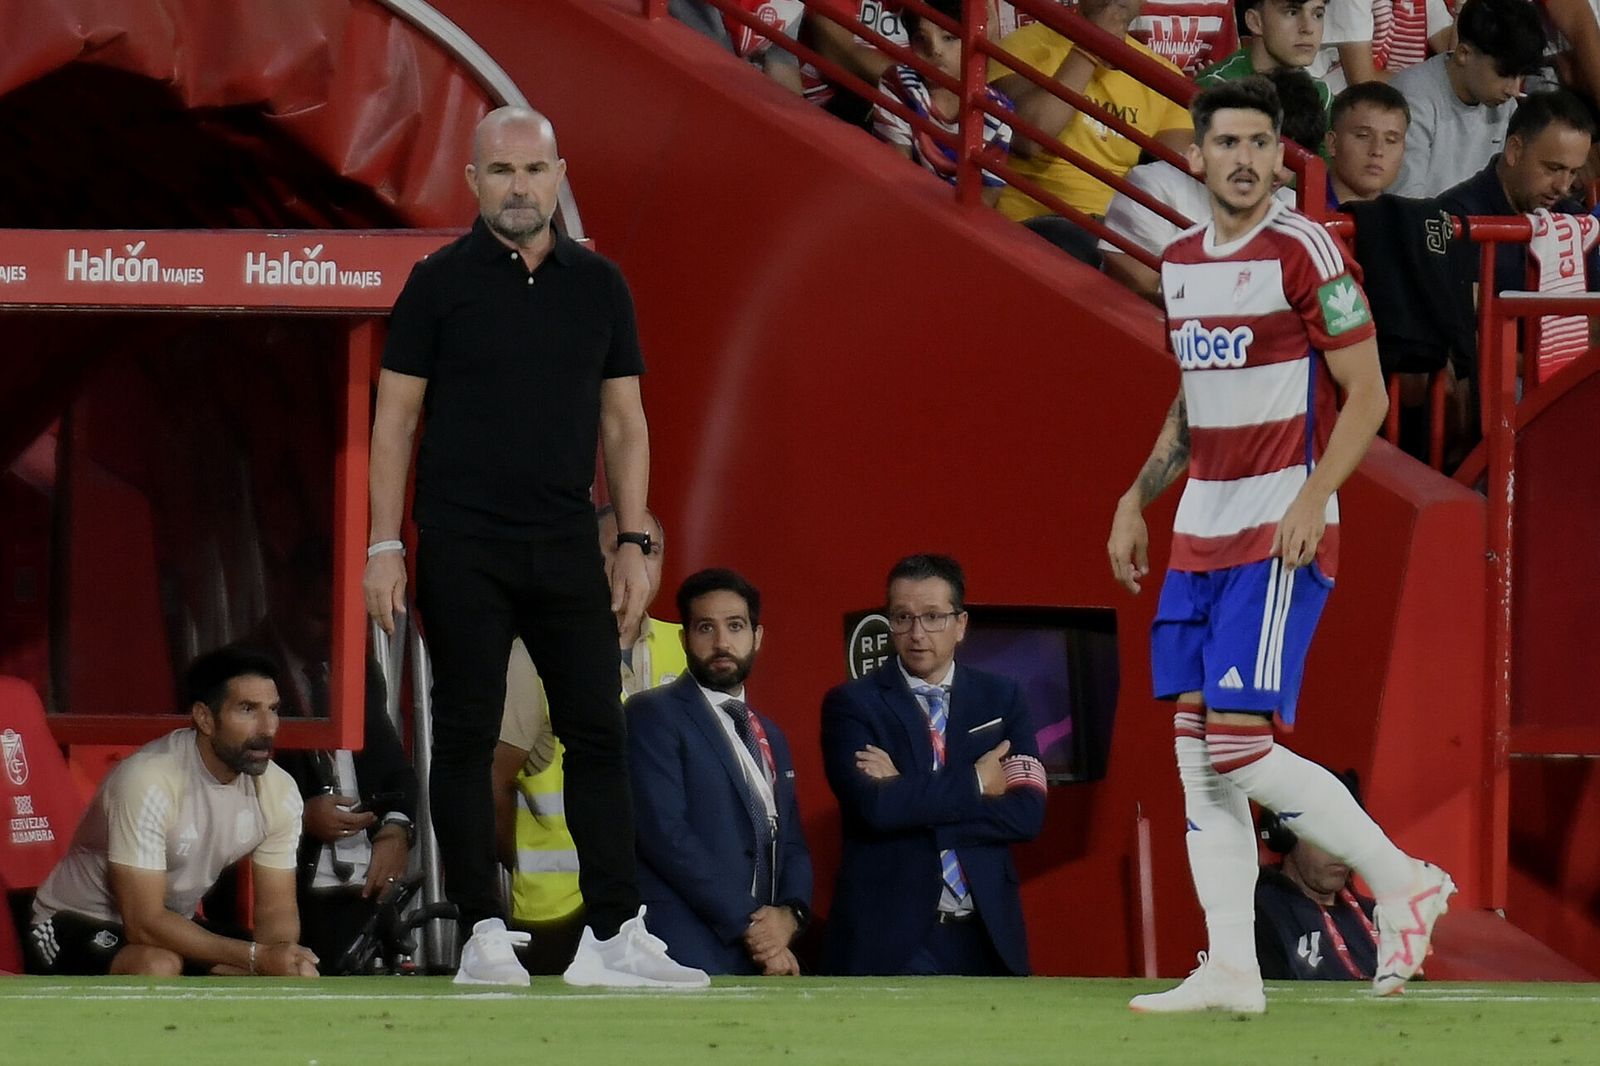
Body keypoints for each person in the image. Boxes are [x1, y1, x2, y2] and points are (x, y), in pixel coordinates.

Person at [1106, 78, 1453, 1013]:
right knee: (1194, 751)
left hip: (1277, 533)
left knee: (1239, 745)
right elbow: (1194, 400)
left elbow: (1368, 395)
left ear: (1277, 154)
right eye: (1229, 143)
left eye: (1262, 143)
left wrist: (1314, 496)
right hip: (1197, 536)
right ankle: (1231, 967)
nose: (1246, 160)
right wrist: (1137, 499)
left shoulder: (1305, 248)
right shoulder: (1178, 262)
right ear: (1199, 155)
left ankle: (1401, 878)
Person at [364, 105, 706, 990]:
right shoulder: (436, 284)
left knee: (600, 731)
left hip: (564, 539)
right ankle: (482, 930)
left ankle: (614, 935)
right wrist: (381, 545)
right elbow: (395, 419)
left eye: (535, 169)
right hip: (461, 541)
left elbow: (626, 422)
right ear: (472, 182)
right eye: (503, 171)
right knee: (468, 735)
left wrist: (631, 538)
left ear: (560, 175)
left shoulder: (601, 286)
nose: (521, 187)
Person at [24, 648, 318, 978]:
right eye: (248, 709)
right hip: (72, 922)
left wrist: (278, 959)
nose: (267, 728)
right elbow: (143, 923)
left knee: (297, 970)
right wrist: (254, 957)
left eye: (273, 710)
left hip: (169, 927)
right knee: (157, 966)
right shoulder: (149, 779)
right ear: (205, 718)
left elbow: (276, 911)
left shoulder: (279, 791)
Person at [820, 554, 1048, 976]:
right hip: (891, 939)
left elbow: (1027, 814)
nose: (917, 633)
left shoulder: (1003, 698)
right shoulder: (852, 704)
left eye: (932, 617)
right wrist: (977, 781)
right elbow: (873, 809)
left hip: (987, 934)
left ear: (960, 624)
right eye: (902, 617)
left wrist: (906, 792)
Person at [490, 506, 685, 974]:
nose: (632, 563)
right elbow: (491, 781)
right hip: (560, 912)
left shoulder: (688, 649)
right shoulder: (533, 656)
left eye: (648, 550)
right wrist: (517, 861)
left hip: (674, 897)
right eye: (617, 548)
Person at [627, 569, 813, 976]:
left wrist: (789, 915)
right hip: (684, 945)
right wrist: (753, 926)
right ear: (684, 640)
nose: (722, 643)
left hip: (760, 952)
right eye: (705, 628)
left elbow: (792, 841)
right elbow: (665, 834)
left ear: (757, 637)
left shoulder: (771, 734)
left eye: (735, 626)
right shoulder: (652, 714)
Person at [246, 537, 417, 969]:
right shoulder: (243, 670)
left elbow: (395, 769)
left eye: (341, 618)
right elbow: (218, 784)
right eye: (320, 616)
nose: (332, 631)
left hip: (361, 888)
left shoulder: (357, 669)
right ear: (284, 598)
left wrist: (397, 830)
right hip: (280, 889)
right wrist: (301, 815)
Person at [1100, 67, 1326, 301]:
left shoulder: (1293, 207)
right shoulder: (1154, 186)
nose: (1276, 171)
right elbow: (1136, 297)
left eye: (1288, 160)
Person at [988, 0, 1195, 241]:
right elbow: (1027, 140)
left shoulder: (1163, 75)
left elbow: (1179, 174)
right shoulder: (1027, 44)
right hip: (1037, 223)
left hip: (1118, 232)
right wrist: (1091, 47)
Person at [1440, 89, 1600, 298]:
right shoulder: (1455, 218)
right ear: (1514, 150)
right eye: (1553, 168)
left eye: (1573, 172)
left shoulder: (1575, 221)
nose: (1563, 186)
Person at [1386, 0, 1547, 198]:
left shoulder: (1505, 106)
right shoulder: (1411, 98)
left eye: (1521, 76)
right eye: (1504, 74)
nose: (1514, 90)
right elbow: (1405, 203)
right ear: (1464, 53)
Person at [872, 0, 1015, 207]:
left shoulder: (998, 112)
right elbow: (895, 170)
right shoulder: (898, 83)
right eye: (921, 39)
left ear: (973, 39)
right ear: (911, 43)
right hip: (901, 207)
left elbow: (984, 201)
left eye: (949, 37)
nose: (935, 50)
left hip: (955, 227)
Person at [1255, 770, 1379, 981]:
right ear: (1285, 834)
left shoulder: (1381, 917)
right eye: (1326, 834)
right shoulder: (1258, 915)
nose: (1340, 849)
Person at [1197, 0, 1335, 116]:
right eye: (1292, 12)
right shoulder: (1217, 88)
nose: (1308, 28)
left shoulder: (1320, 93)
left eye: (1318, 15)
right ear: (1255, 22)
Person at [669, 0, 806, 94]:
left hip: (729, 83)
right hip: (685, 76)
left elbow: (781, 62)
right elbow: (711, 57)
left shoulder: (792, 6)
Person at [1325, 81, 1410, 205]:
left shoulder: (1404, 220)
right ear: (1332, 143)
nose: (1377, 151)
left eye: (1391, 141)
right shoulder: (1295, 211)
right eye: (1363, 136)